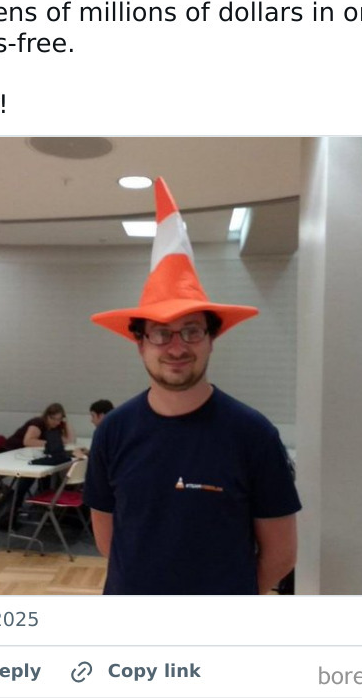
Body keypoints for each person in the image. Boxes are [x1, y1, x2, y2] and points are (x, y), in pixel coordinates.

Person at [84, 178, 301, 595]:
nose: (176, 347)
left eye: (191, 331)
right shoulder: (114, 431)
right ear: (140, 345)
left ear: (211, 339)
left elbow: (281, 552)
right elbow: (107, 538)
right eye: (161, 334)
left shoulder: (252, 434)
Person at [2, 403, 76, 513]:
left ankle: (42, 502)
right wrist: (51, 443)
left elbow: (70, 441)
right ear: (47, 416)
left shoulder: (57, 426)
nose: (56, 422)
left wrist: (66, 424)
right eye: (54, 419)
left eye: (60, 419)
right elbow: (27, 441)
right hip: (12, 452)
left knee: (45, 471)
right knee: (30, 475)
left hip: (30, 455)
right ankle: (13, 508)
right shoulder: (37, 423)